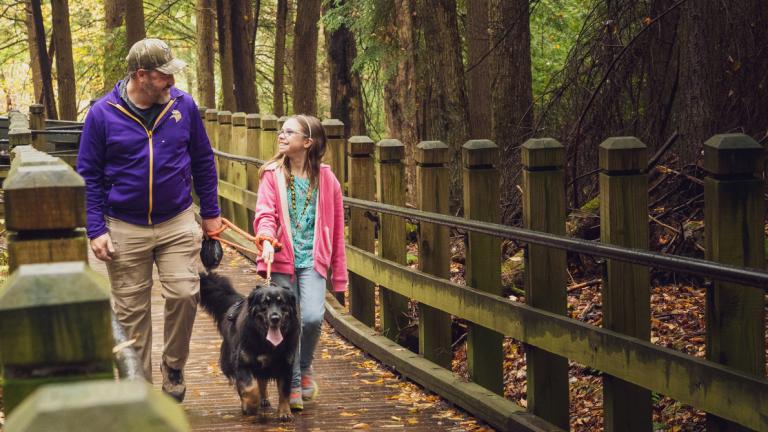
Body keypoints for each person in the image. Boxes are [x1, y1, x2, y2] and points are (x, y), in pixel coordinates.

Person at [77, 38, 222, 402]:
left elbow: (203, 160)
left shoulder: (182, 106)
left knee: (186, 293)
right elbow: (89, 175)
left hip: (176, 220)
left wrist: (212, 213)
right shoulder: (101, 113)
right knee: (131, 313)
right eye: (163, 77)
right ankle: (138, 392)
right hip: (124, 225)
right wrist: (95, 229)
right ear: (141, 76)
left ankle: (173, 364)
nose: (171, 83)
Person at [254, 114, 348, 411]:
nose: (281, 136)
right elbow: (265, 213)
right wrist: (267, 239)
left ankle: (304, 366)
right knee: (286, 320)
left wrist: (339, 274)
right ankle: (292, 382)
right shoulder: (271, 175)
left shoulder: (328, 180)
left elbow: (337, 228)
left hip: (314, 259)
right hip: (281, 258)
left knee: (310, 317)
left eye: (289, 132)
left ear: (307, 143)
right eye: (280, 132)